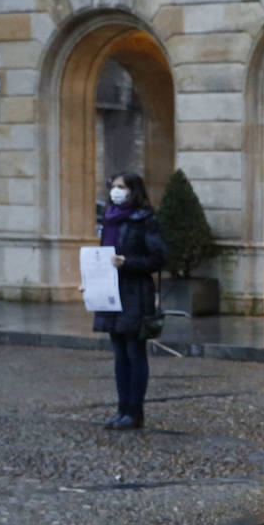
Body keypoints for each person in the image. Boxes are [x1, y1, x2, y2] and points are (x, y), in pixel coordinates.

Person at [93, 172, 167, 429]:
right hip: (110, 292)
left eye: (121, 186)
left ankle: (135, 412)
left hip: (135, 292)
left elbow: (158, 258)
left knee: (135, 353)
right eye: (113, 186)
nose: (115, 191)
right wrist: (90, 280)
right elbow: (102, 256)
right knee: (119, 354)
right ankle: (122, 409)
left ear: (133, 190)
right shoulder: (109, 219)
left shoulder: (145, 219)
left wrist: (128, 263)